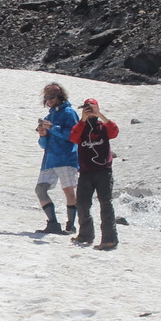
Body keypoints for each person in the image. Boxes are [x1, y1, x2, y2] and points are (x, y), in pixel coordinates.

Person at [69, 97, 119, 250]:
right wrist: (83, 120)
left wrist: (101, 115)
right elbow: (73, 137)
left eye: (92, 108)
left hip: (104, 171)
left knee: (106, 204)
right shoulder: (80, 127)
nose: (89, 111)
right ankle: (86, 234)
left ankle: (109, 239)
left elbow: (114, 131)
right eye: (86, 108)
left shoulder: (103, 126)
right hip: (86, 172)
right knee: (82, 204)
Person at [34, 82, 79, 234]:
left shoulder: (69, 113)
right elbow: (43, 144)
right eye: (47, 97)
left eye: (51, 96)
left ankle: (71, 225)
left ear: (60, 96)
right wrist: (43, 134)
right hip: (50, 159)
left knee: (68, 190)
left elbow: (73, 135)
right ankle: (53, 223)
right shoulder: (49, 115)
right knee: (40, 189)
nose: (49, 100)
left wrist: (52, 128)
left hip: (66, 157)